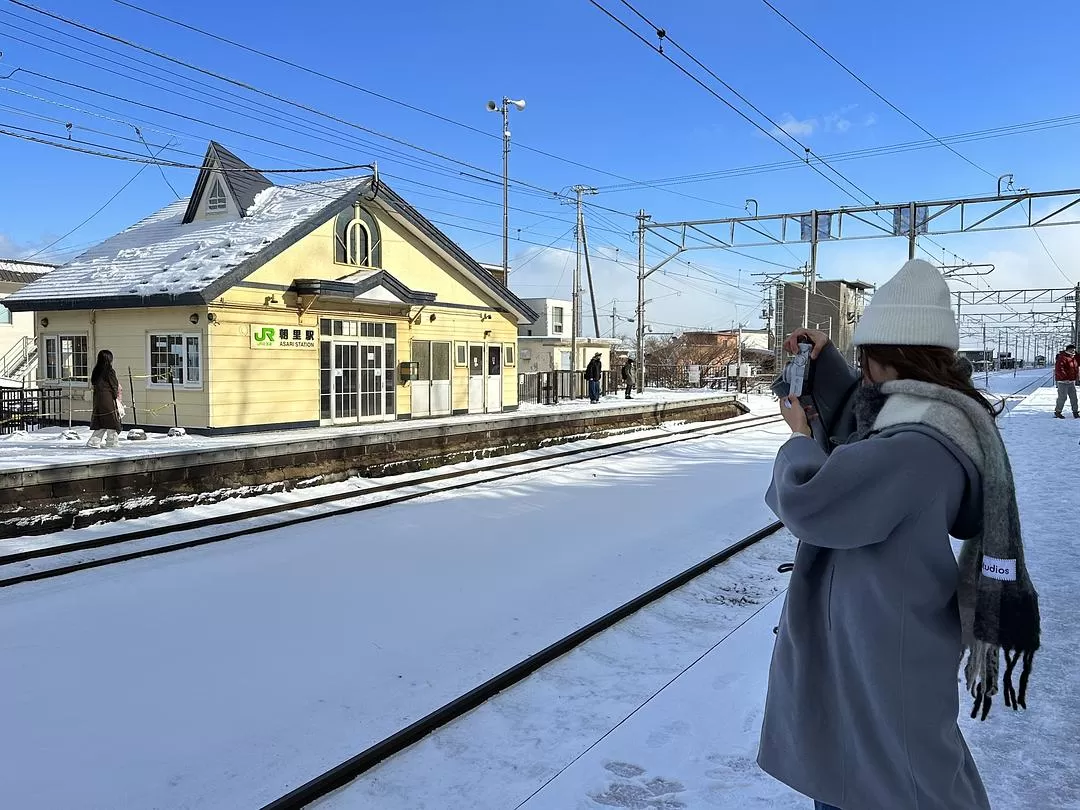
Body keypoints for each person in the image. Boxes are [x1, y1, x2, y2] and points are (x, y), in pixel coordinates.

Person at [759, 259, 1041, 810]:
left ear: (889, 357)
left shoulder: (913, 449)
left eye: (865, 359)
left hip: (878, 645)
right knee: (871, 774)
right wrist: (829, 365)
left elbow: (810, 502)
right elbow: (868, 434)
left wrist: (798, 438)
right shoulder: (940, 425)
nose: (862, 374)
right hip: (889, 632)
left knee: (891, 784)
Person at [88, 349, 123, 448]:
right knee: (112, 421)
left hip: (98, 399)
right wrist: (117, 397)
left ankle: (94, 441)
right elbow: (114, 385)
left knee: (101, 421)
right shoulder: (110, 371)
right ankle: (112, 442)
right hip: (108, 399)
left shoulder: (96, 371)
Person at [1053, 343, 1078, 419]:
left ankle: (1075, 412)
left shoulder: (1073, 358)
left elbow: (1075, 368)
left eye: (1074, 350)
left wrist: (1075, 377)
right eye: (1072, 350)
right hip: (1063, 381)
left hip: (1071, 381)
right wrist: (1065, 377)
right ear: (1068, 350)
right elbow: (1059, 369)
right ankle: (1058, 412)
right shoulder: (1062, 357)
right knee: (1062, 397)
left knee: (1074, 397)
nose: (1074, 351)